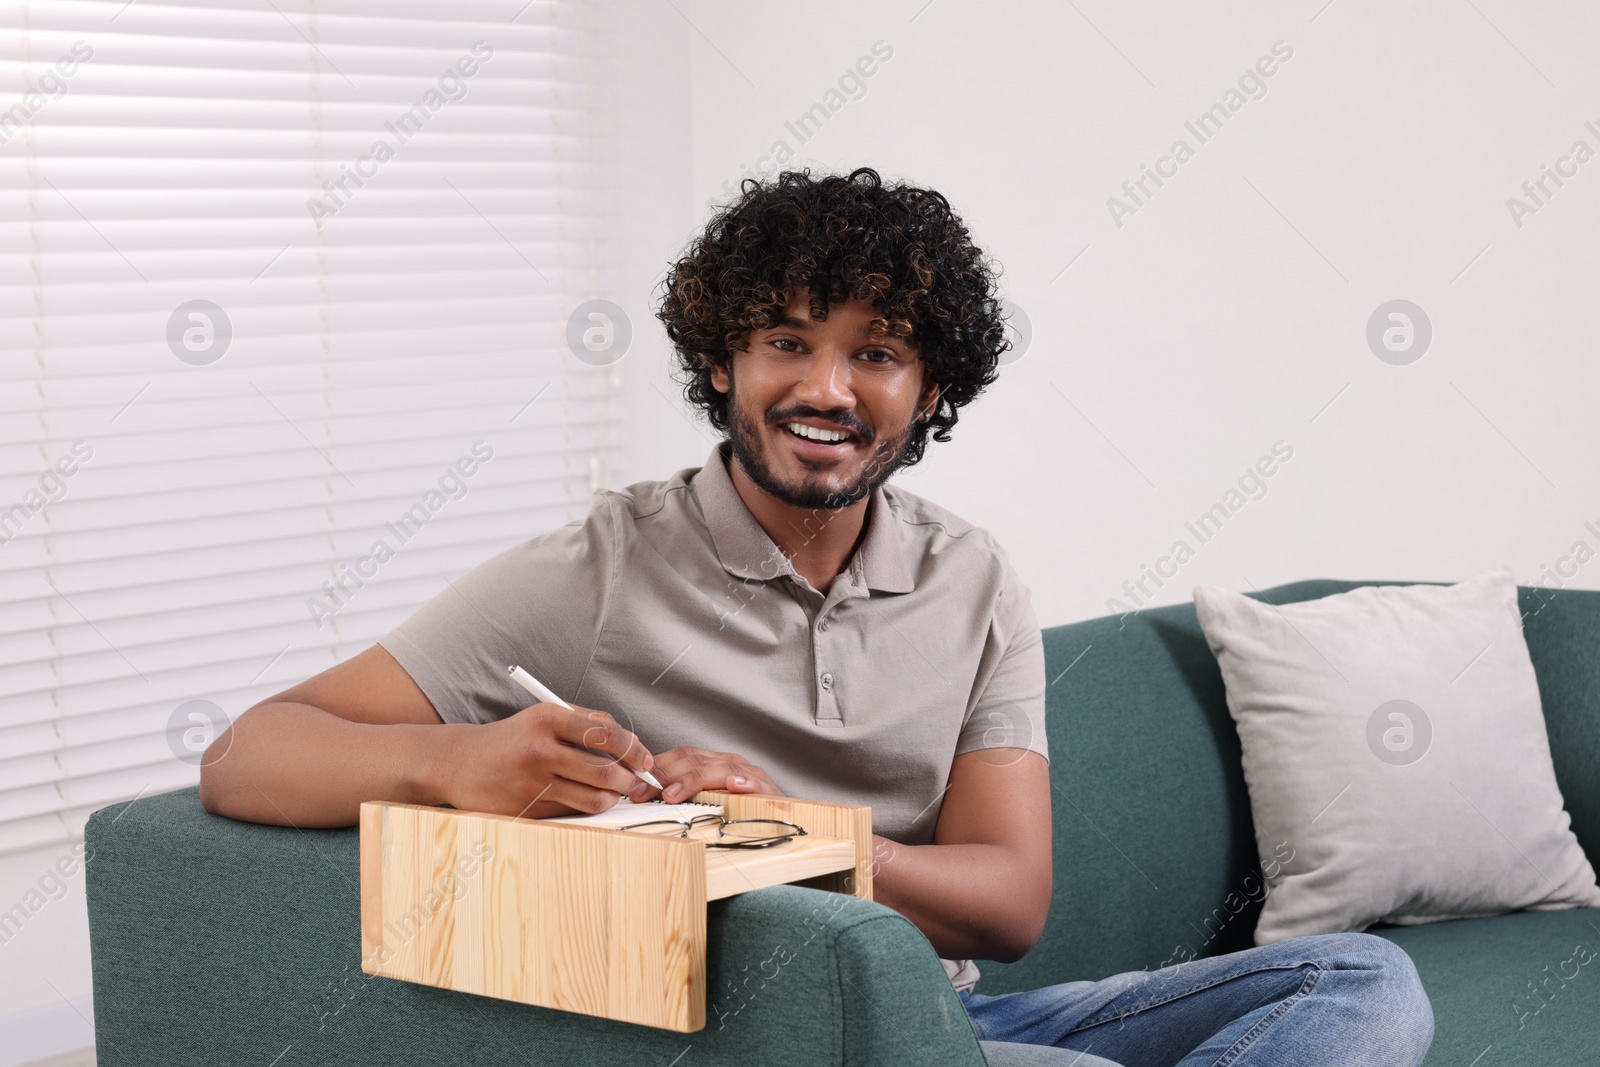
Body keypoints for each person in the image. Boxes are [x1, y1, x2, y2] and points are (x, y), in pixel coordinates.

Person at [199, 167, 1434, 1067]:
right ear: (723, 364)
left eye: (879, 351)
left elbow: (1007, 904)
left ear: (928, 388)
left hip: (946, 1021)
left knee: (1363, 979)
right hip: (759, 1034)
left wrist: (793, 830)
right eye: (786, 339)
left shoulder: (973, 578)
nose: (827, 387)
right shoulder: (597, 564)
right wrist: (459, 761)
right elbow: (246, 752)